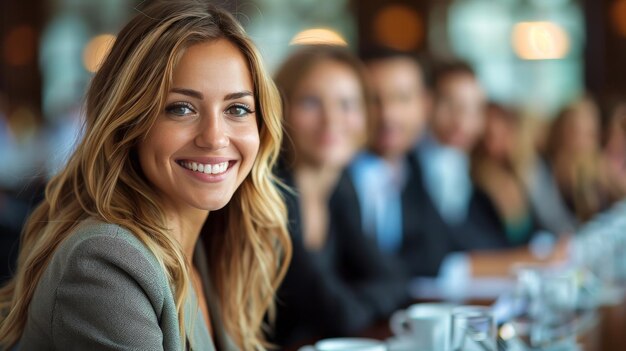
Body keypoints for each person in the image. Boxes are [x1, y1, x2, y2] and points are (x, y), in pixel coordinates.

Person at [0, 1, 291, 350]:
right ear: (129, 124)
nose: (214, 137)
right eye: (181, 108)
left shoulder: (213, 243)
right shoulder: (103, 263)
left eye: (237, 108)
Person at [271, 45, 409, 346]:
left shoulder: (340, 186)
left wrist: (357, 301)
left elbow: (396, 281)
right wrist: (361, 300)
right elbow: (337, 313)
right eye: (310, 102)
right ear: (280, 109)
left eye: (347, 104)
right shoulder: (270, 192)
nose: (331, 119)